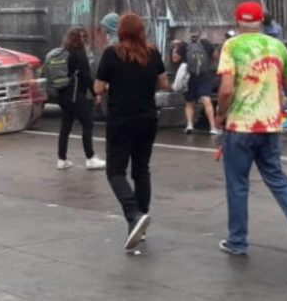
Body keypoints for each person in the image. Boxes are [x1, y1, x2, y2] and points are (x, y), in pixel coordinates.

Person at [214, 1, 287, 257]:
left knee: (238, 184)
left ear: (237, 21)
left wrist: (220, 115)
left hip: (240, 127)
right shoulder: (277, 46)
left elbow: (226, 89)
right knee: (277, 178)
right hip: (271, 126)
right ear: (262, 20)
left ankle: (237, 242)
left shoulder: (232, 45)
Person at [94, 13, 169, 251]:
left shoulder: (111, 54)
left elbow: (98, 86)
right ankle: (140, 225)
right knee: (141, 170)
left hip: (121, 119)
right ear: (141, 31)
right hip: (147, 118)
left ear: (120, 31)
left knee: (115, 171)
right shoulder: (153, 52)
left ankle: (133, 214)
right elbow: (164, 83)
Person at [55, 27, 106, 171]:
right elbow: (87, 77)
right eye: (82, 37)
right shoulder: (79, 54)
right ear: (76, 39)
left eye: (84, 36)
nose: (83, 39)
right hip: (75, 95)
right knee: (88, 124)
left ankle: (61, 159)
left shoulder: (63, 51)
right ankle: (90, 158)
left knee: (65, 127)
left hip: (63, 95)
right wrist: (96, 94)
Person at [173, 27, 221, 135]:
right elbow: (216, 56)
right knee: (206, 101)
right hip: (204, 76)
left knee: (189, 102)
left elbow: (175, 59)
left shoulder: (184, 44)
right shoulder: (206, 42)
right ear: (200, 33)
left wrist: (176, 47)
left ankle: (189, 125)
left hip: (189, 77)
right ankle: (213, 127)